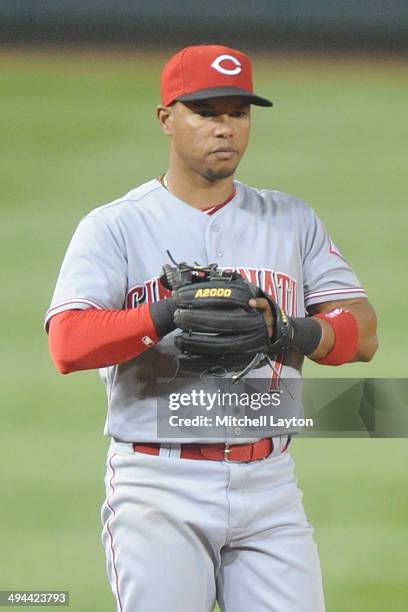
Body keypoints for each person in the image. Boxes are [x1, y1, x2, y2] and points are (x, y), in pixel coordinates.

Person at [45, 44, 378, 612]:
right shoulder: (116, 226)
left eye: (238, 112)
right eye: (206, 111)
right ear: (166, 118)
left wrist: (290, 332)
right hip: (159, 484)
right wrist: (163, 315)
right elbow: (67, 343)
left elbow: (362, 332)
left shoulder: (291, 220)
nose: (225, 128)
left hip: (270, 484)